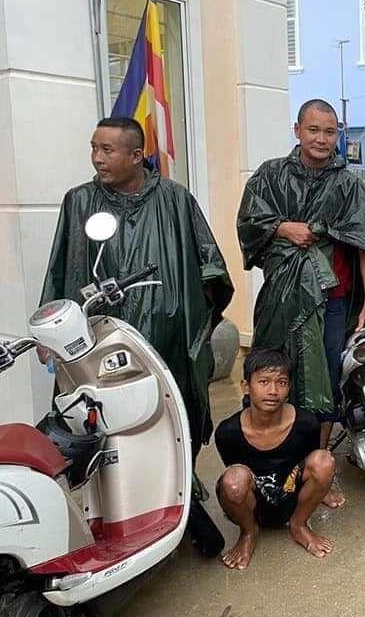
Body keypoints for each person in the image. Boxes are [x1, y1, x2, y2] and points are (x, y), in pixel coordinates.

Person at [41, 117, 233, 458]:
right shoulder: (80, 201)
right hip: (100, 338)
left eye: (107, 150)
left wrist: (186, 315)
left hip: (168, 338)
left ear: (135, 155)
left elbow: (211, 267)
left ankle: (178, 480)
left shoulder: (174, 199)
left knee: (171, 415)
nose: (97, 158)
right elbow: (61, 267)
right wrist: (49, 335)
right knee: (105, 418)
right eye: (94, 149)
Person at [237, 99, 365, 449]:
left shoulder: (348, 185)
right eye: (313, 130)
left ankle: (318, 457)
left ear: (338, 135)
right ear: (297, 131)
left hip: (332, 301)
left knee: (325, 376)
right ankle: (273, 452)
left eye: (330, 132)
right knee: (274, 372)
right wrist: (283, 227)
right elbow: (249, 222)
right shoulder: (270, 175)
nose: (321, 139)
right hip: (282, 298)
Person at [215, 348, 340, 570]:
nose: (273, 391)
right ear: (246, 386)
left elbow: (309, 464)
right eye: (263, 382)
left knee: (324, 461)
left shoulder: (306, 423)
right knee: (233, 481)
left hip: (292, 501)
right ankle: (249, 533)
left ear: (289, 388)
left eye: (281, 383)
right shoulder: (228, 432)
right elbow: (233, 484)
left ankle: (299, 525)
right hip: (253, 507)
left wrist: (322, 490)